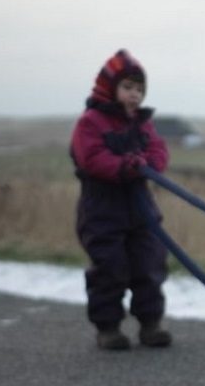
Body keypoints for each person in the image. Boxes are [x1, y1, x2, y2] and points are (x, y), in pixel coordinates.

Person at [70, 49, 173, 350]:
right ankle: (108, 328)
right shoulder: (91, 122)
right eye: (128, 87)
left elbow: (159, 152)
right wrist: (125, 166)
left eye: (140, 89)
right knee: (109, 269)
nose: (135, 95)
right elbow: (91, 158)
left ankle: (150, 324)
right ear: (109, 88)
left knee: (149, 264)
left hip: (142, 210)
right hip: (103, 210)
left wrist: (148, 164)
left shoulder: (143, 124)